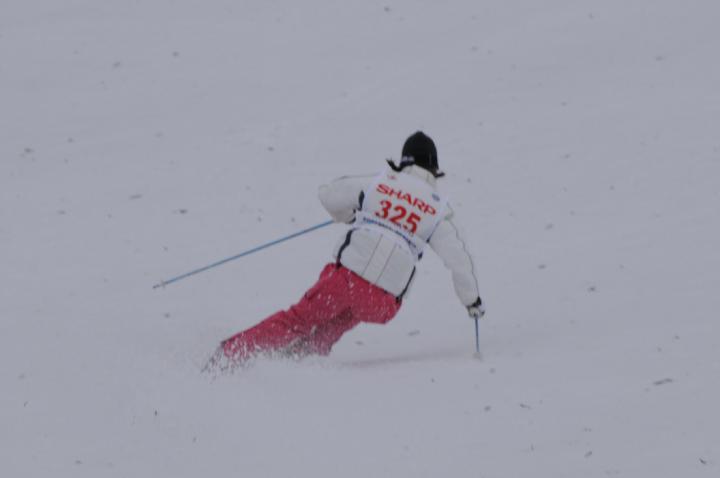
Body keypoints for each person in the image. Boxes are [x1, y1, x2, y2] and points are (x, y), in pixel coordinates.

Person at [213, 131, 484, 368]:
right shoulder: (438, 209)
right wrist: (472, 302)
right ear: (434, 167)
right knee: (344, 316)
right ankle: (300, 362)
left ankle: (229, 355)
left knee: (299, 319)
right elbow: (460, 260)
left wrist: (349, 215)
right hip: (383, 304)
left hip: (346, 283)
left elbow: (329, 194)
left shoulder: (381, 183)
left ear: (403, 161)